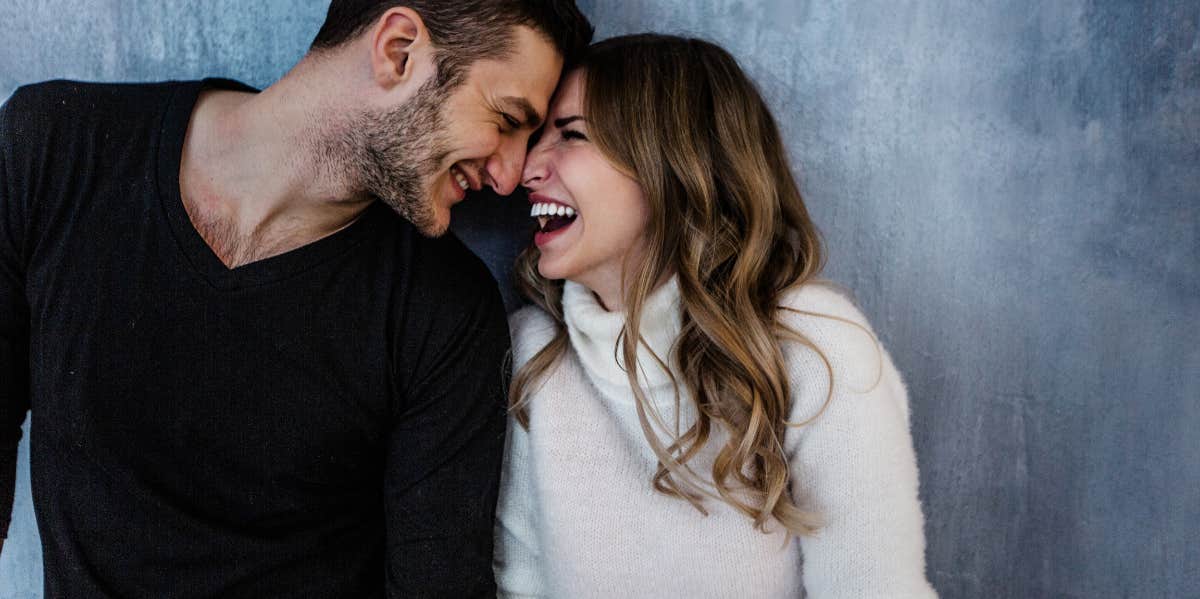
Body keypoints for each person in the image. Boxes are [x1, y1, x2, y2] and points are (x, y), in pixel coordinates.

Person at [0, 1, 591, 597]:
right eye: (507, 119)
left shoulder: (446, 313)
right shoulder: (54, 146)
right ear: (399, 50)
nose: (511, 176)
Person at [495, 34, 938, 598]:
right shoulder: (531, 355)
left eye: (572, 134)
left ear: (674, 162)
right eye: (537, 137)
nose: (527, 169)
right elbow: (518, 586)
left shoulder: (815, 344)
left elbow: (875, 588)